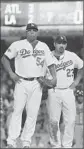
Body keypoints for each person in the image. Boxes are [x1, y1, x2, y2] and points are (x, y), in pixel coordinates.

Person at [1, 23, 56, 148]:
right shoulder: (18, 45)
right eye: (30, 31)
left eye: (34, 31)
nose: (32, 32)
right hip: (21, 81)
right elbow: (4, 58)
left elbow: (51, 64)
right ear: (26, 33)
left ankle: (26, 141)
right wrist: (11, 73)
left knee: (32, 113)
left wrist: (54, 77)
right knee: (17, 111)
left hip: (37, 83)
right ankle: (11, 141)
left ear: (37, 33)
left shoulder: (43, 46)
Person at [46, 35, 83, 148]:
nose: (61, 45)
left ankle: (67, 145)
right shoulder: (47, 57)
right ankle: (55, 145)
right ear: (54, 44)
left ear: (66, 44)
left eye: (63, 43)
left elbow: (81, 66)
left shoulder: (71, 56)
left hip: (68, 90)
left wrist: (76, 81)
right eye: (59, 43)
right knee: (53, 121)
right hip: (53, 91)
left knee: (71, 120)